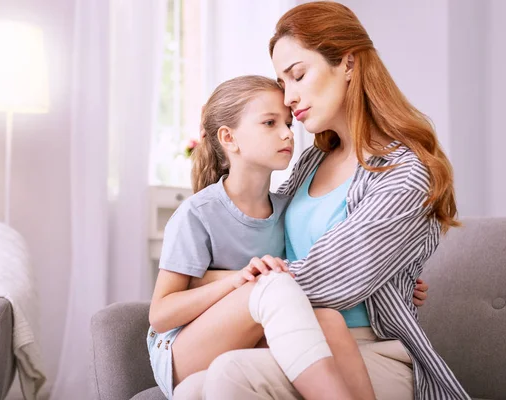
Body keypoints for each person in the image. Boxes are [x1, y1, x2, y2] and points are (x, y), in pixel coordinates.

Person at [191, 2, 469, 399]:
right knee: (193, 388)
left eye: (298, 75)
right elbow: (260, 247)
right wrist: (225, 276)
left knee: (232, 373)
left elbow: (330, 280)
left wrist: (206, 279)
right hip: (295, 336)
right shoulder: (310, 162)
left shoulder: (406, 173)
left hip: (372, 350)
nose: (287, 98)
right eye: (282, 83)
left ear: (349, 63)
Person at [148, 75, 378, 400]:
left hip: (252, 336)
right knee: (272, 284)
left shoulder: (289, 210)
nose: (287, 133)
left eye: (287, 122)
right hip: (182, 350)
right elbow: (160, 314)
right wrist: (237, 282)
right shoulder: (198, 214)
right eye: (269, 123)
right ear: (229, 138)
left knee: (327, 319)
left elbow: (326, 265)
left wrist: (392, 280)